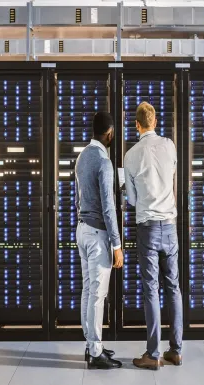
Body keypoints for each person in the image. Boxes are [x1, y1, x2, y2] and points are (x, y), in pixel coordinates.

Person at [124, 102, 183, 370]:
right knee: (173, 287)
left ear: (137, 125)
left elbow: (133, 201)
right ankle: (176, 350)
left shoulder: (131, 155)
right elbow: (171, 175)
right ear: (155, 121)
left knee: (151, 289)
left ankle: (153, 353)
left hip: (148, 228)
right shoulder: (169, 146)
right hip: (170, 226)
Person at [75, 111, 124, 369]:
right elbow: (109, 207)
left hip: (82, 230)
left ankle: (90, 344)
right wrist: (116, 244)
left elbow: (77, 198)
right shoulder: (104, 163)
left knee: (87, 290)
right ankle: (95, 352)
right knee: (97, 295)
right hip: (97, 235)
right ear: (110, 133)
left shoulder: (81, 157)